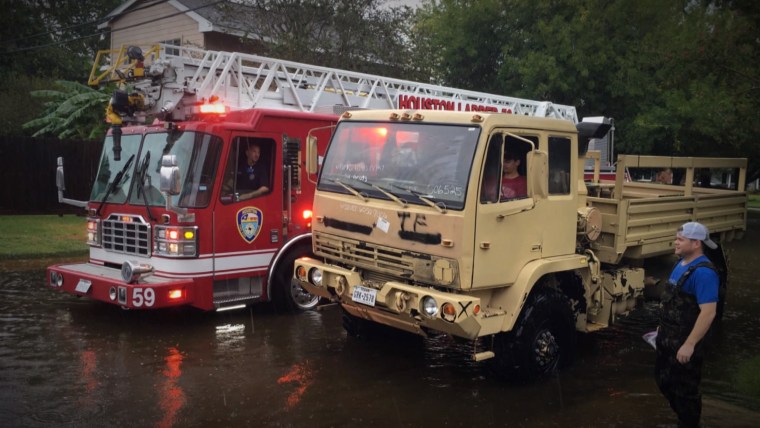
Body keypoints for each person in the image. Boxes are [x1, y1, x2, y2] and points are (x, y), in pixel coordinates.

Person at [655, 221, 720, 428]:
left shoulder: (704, 273)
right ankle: (684, 420)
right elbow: (670, 302)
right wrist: (661, 327)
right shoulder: (680, 264)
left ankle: (689, 424)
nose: (675, 243)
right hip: (668, 337)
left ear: (696, 244)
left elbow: (709, 313)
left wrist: (690, 344)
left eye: (680, 240)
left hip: (685, 342)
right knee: (663, 380)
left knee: (686, 390)